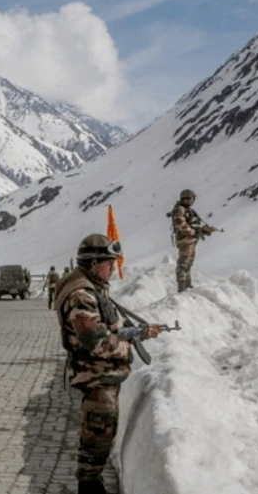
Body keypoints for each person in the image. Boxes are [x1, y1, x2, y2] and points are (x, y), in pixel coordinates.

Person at [53, 234, 160, 494]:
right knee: (97, 432)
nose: (112, 268)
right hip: (94, 375)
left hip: (101, 373)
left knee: (102, 430)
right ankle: (88, 484)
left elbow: (106, 327)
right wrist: (126, 344)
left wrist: (136, 332)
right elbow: (96, 341)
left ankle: (93, 479)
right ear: (92, 263)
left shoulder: (93, 288)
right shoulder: (82, 294)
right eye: (107, 263)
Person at [170, 189, 214, 292]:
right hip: (185, 240)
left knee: (188, 263)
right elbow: (181, 225)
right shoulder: (180, 209)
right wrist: (194, 232)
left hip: (189, 240)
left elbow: (194, 225)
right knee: (184, 263)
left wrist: (203, 230)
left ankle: (187, 286)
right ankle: (182, 288)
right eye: (192, 198)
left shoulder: (188, 210)